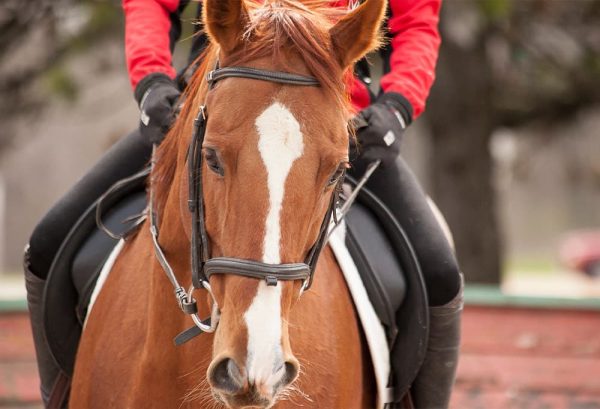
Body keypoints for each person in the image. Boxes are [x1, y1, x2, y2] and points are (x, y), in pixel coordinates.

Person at [25, 0, 462, 407]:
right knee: (48, 245)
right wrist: (151, 80)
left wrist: (398, 106)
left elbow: (416, 21)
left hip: (334, 122)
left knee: (438, 274)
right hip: (217, 106)